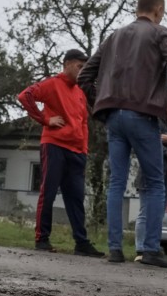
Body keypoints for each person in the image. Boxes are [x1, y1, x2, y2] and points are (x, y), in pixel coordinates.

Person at [78, 0, 167, 267]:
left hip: (114, 118)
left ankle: (115, 250)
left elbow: (84, 76)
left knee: (116, 182)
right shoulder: (159, 32)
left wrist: (101, 103)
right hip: (143, 115)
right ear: (159, 10)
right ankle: (150, 249)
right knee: (155, 183)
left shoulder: (114, 36)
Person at [17, 49, 104, 257]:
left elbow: (83, 121)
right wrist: (45, 120)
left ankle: (81, 243)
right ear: (66, 65)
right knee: (48, 192)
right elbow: (25, 96)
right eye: (79, 67)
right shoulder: (52, 84)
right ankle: (42, 239)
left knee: (76, 197)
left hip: (77, 151)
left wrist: (84, 148)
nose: (82, 71)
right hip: (54, 145)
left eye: (85, 68)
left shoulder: (81, 91)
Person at [134, 93, 167, 261]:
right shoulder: (153, 122)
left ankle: (152, 245)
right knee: (145, 212)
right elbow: (148, 142)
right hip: (151, 174)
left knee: (158, 214)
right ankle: (141, 248)